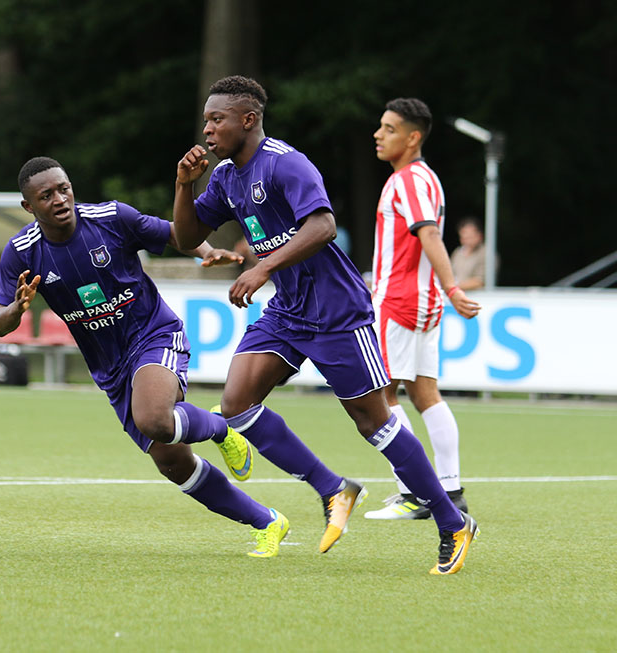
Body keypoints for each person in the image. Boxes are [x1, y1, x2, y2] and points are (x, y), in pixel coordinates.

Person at [173, 75, 478, 575]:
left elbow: (323, 225)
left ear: (248, 119)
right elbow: (187, 236)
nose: (207, 128)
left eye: (216, 119)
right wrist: (185, 186)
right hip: (289, 308)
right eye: (206, 119)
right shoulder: (226, 176)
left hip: (336, 308)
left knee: (374, 422)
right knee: (236, 404)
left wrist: (264, 266)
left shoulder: (285, 162)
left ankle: (452, 521)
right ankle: (333, 487)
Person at [0, 156, 290, 558]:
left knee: (153, 418)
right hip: (110, 368)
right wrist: (16, 308)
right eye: (46, 196)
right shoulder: (22, 253)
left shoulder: (111, 218)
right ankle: (268, 522)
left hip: (154, 334)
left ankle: (221, 429)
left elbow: (174, 233)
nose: (60, 199)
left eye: (63, 188)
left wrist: (204, 250)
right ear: (29, 207)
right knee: (172, 462)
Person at [363, 98, 481, 521]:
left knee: (380, 396)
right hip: (423, 300)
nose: (379, 134)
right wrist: (444, 291)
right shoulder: (427, 177)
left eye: (389, 128)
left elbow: (428, 233)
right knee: (424, 393)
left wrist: (452, 286)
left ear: (413, 138)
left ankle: (416, 494)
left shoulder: (408, 180)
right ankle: (450, 490)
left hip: (398, 301)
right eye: (380, 126)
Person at [450, 217, 486, 292]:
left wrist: (452, 287)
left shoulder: (486, 253)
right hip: (456, 296)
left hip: (480, 298)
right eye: (464, 238)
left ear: (479, 236)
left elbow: (480, 281)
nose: (466, 241)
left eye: (470, 237)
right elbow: (450, 274)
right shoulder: (457, 252)